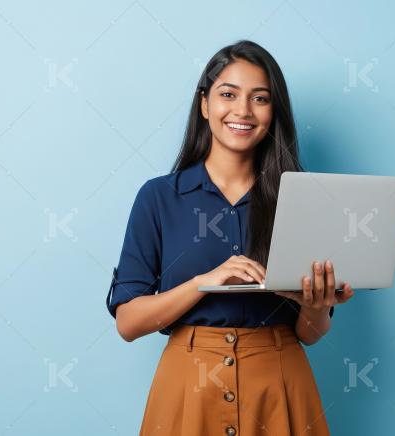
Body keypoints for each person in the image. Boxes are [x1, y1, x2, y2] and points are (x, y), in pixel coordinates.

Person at [105, 40, 355, 436]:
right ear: (204, 104)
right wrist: (205, 283)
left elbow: (310, 333)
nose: (243, 111)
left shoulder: (304, 198)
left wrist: (316, 305)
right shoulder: (158, 197)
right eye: (228, 95)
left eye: (260, 98)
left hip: (280, 384)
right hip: (188, 386)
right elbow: (128, 323)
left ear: (274, 113)